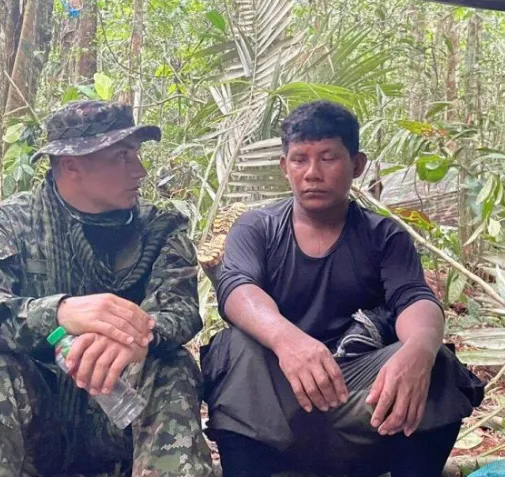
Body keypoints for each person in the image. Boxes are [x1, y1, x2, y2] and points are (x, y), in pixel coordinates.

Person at [202, 100, 484, 477]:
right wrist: (288, 341)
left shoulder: (384, 236)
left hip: (360, 404)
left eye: (328, 158)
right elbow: (237, 289)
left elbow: (414, 298)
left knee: (437, 363)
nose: (312, 173)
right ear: (284, 167)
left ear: (357, 164)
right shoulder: (258, 228)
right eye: (300, 159)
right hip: (275, 408)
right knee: (234, 346)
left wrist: (419, 351)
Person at [0, 101, 215, 477]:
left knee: (170, 364)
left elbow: (179, 310)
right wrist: (58, 313)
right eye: (121, 157)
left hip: (124, 417)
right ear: (71, 164)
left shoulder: (159, 229)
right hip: (38, 423)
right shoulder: (9, 226)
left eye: (137, 154)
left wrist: (132, 335)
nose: (140, 170)